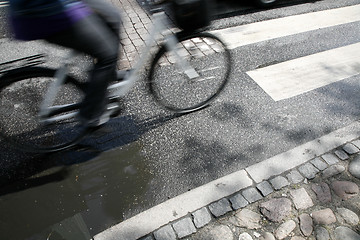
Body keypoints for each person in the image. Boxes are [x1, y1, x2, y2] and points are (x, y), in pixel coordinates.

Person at [8, 0, 122, 128]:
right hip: (45, 14)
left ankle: (104, 79)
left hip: (61, 5)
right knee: (109, 54)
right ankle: (91, 116)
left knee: (114, 16)